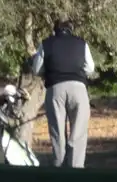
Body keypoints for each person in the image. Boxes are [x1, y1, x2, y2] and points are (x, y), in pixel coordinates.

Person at [30, 19, 95, 168]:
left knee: (57, 133)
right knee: (78, 132)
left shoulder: (46, 43)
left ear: (55, 30)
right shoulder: (81, 43)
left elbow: (37, 69)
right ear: (71, 29)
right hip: (78, 89)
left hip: (55, 89)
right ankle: (76, 168)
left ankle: (59, 167)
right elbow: (90, 68)